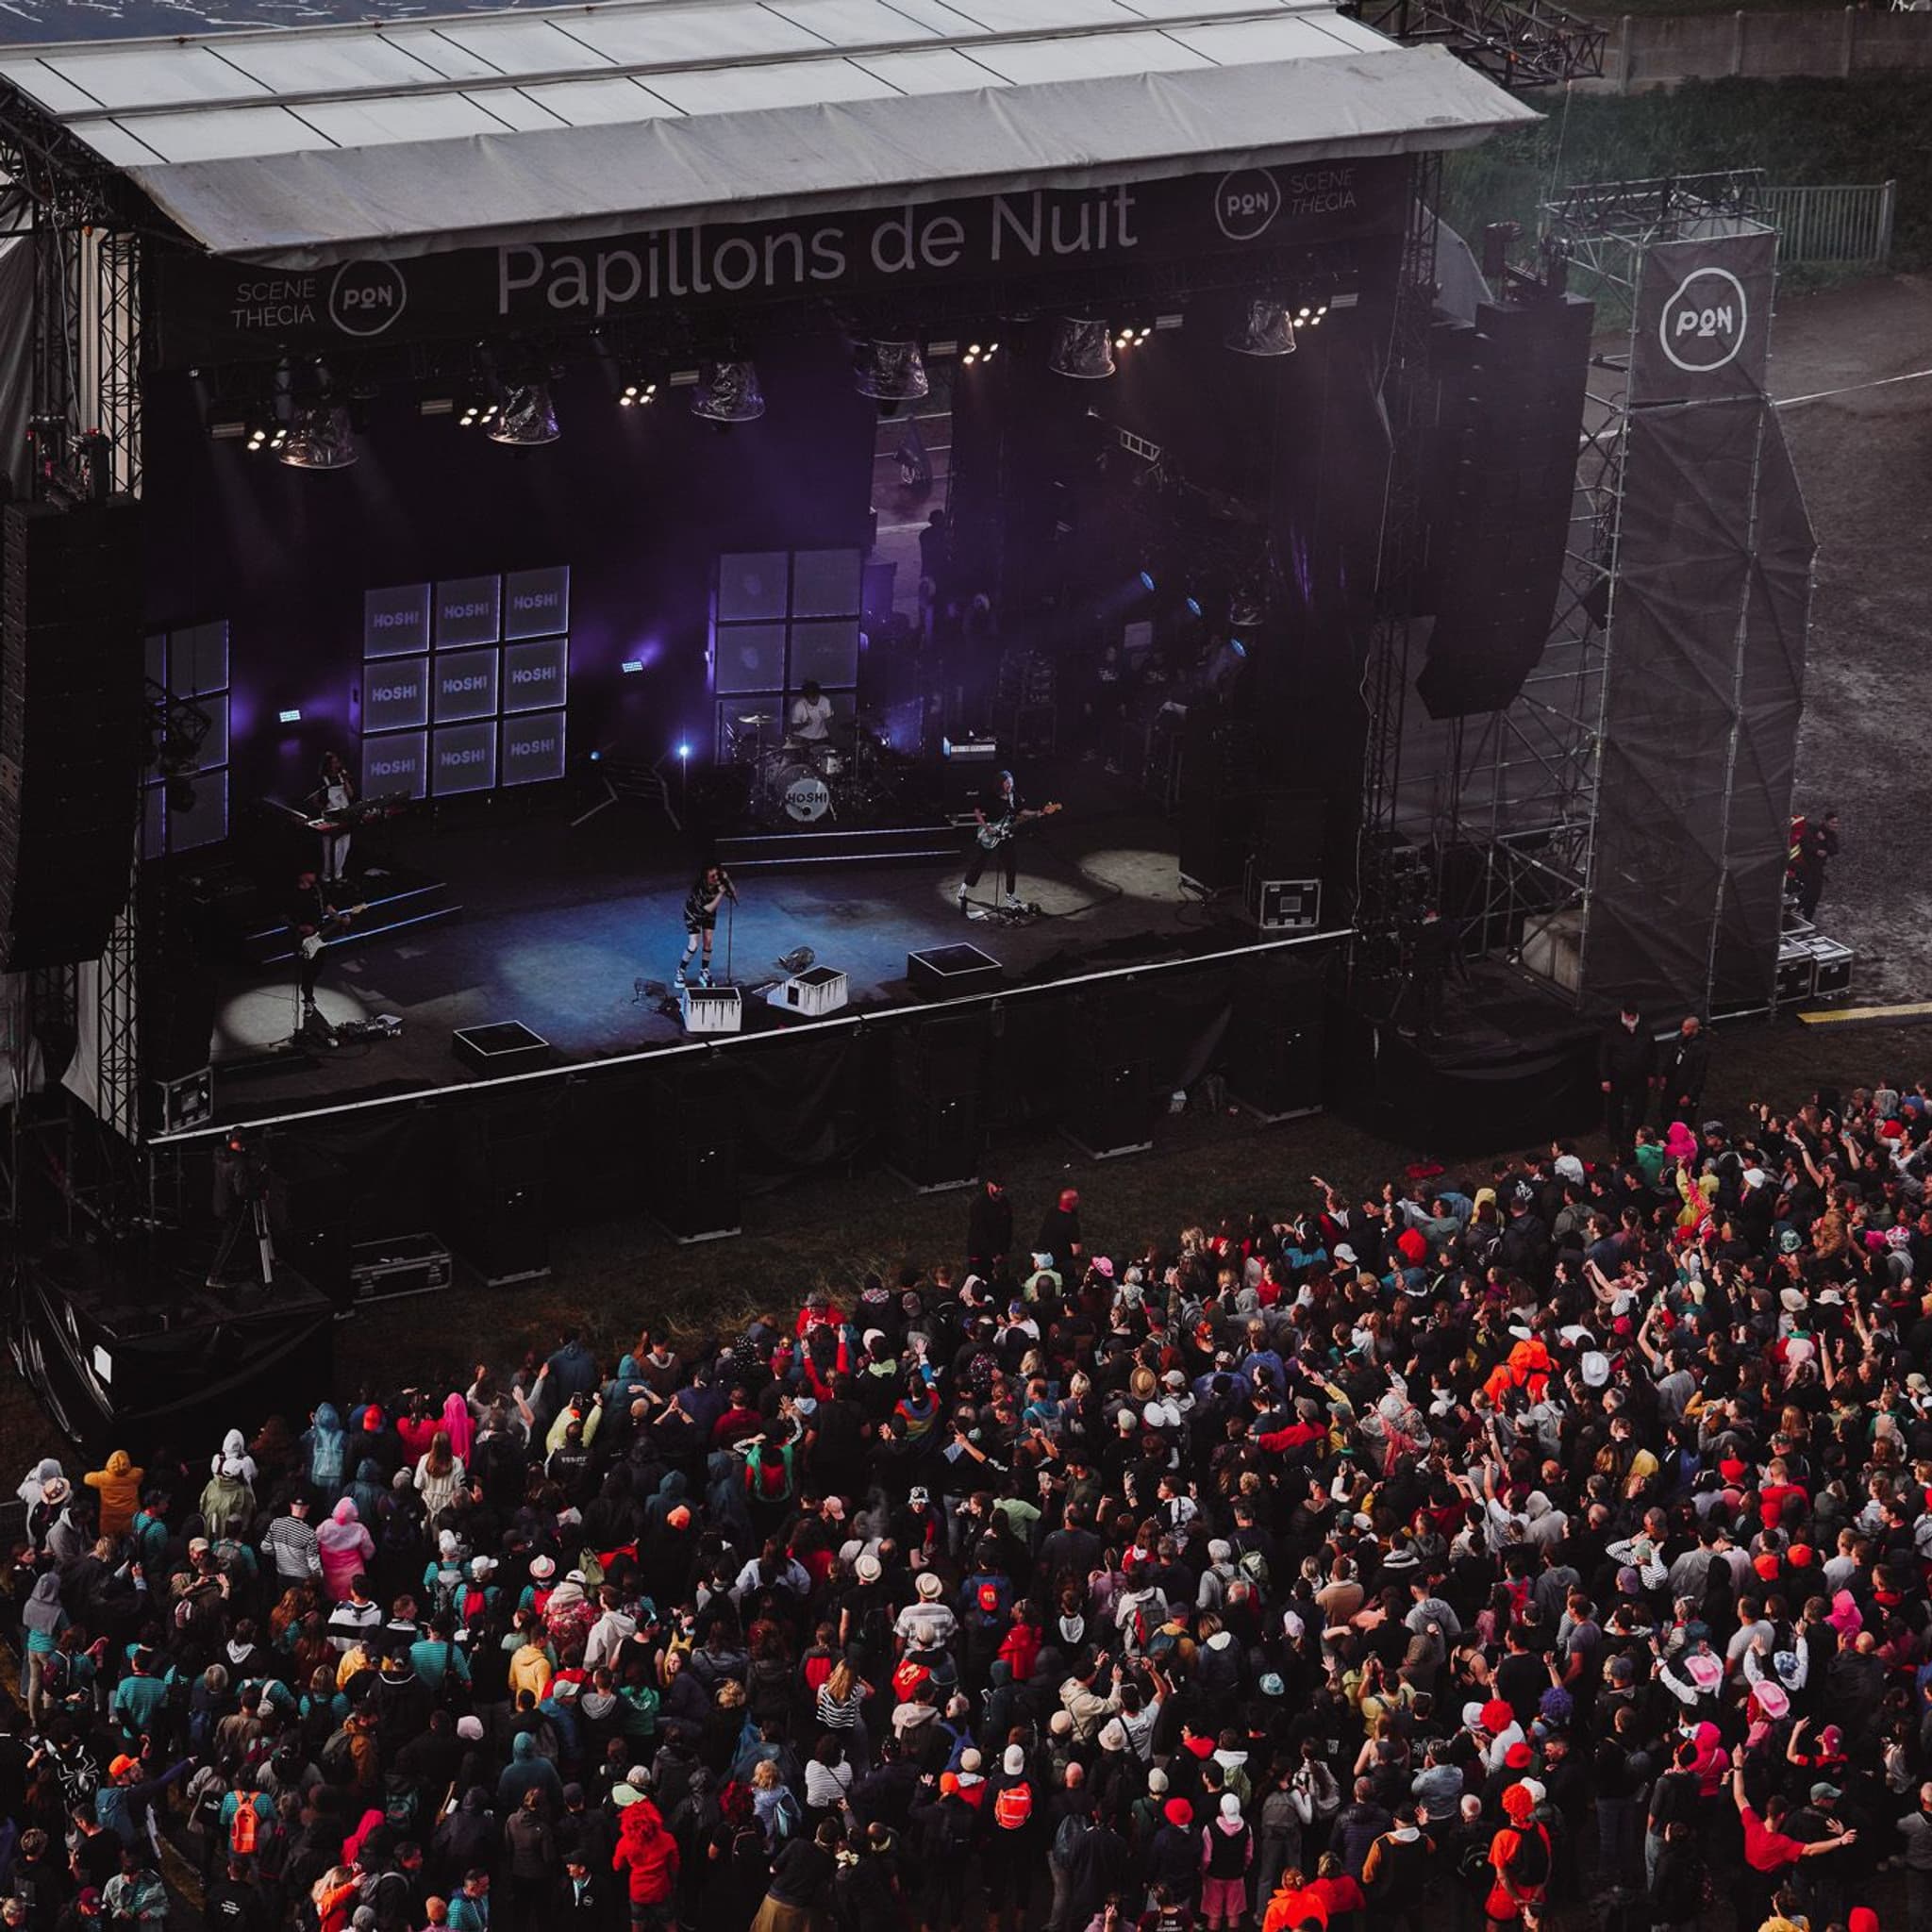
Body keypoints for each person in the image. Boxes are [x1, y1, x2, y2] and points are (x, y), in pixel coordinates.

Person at [958, 771, 1056, 914]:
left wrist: (1038, 813)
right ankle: (963, 889)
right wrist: (986, 827)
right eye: (1007, 783)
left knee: (1011, 865)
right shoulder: (991, 796)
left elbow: (1021, 811)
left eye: (1011, 783)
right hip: (991, 833)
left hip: (1006, 835)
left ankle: (1010, 896)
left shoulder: (1013, 796)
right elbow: (977, 810)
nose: (1010, 785)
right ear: (1000, 784)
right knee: (979, 863)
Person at [289, 869, 354, 1024]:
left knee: (318, 967)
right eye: (310, 873)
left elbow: (327, 907)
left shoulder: (317, 889)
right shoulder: (293, 894)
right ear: (302, 875)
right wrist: (300, 927)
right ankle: (308, 999)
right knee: (307, 970)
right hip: (302, 937)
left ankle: (309, 990)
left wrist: (340, 918)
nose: (314, 875)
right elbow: (283, 916)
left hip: (319, 935)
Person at [1596, 1003, 1656, 1154]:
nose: (1630, 1019)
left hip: (1639, 1077)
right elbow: (1604, 1055)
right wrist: (1605, 1078)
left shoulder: (1645, 1028)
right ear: (1623, 1014)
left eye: (1633, 1016)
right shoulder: (1612, 1030)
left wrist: (1652, 1073)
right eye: (1628, 1016)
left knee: (1639, 1107)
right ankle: (1615, 1138)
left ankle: (1633, 1137)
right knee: (1614, 1107)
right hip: (1617, 1076)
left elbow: (1652, 1052)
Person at [679, 864, 736, 989]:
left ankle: (704, 971)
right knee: (693, 945)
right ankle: (680, 972)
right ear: (705, 878)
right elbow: (708, 909)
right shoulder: (700, 889)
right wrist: (720, 894)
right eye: (712, 876)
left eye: (717, 875)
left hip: (709, 914)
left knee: (708, 942)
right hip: (693, 914)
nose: (716, 878)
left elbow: (734, 895)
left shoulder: (718, 882)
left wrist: (727, 880)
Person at [308, 750, 358, 886]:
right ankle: (327, 876)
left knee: (344, 846)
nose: (337, 765)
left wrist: (346, 780)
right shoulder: (322, 780)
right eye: (334, 763)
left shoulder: (342, 778)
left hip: (345, 815)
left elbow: (350, 794)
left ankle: (338, 874)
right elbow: (314, 799)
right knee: (330, 849)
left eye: (338, 762)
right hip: (331, 817)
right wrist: (324, 809)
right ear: (328, 765)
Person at [1657, 1014, 1710, 1126]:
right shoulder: (1680, 1038)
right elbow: (1671, 1057)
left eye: (1686, 1029)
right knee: (1666, 1111)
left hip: (1686, 1085)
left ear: (1694, 1029)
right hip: (1673, 1082)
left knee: (1687, 1116)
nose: (1683, 1031)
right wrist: (1665, 1075)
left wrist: (1690, 1094)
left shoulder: (1701, 1048)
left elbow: (1699, 1073)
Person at [788, 681, 833, 749]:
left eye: (817, 697)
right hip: (803, 739)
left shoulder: (825, 701)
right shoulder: (799, 706)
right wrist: (805, 724)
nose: (815, 700)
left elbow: (830, 721)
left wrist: (828, 720)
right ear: (806, 698)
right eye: (812, 698)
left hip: (821, 738)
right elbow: (793, 728)